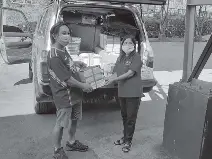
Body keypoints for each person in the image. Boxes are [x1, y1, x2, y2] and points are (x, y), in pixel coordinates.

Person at [47, 21, 93, 159]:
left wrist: (76, 63)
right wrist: (84, 85)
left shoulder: (63, 49)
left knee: (74, 119)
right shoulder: (54, 55)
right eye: (63, 33)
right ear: (55, 36)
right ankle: (57, 150)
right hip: (64, 95)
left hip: (74, 94)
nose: (67, 36)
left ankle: (71, 142)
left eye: (68, 33)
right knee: (61, 124)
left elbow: (67, 64)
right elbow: (67, 79)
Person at [105, 36, 143, 153]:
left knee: (130, 119)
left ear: (134, 45)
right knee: (124, 117)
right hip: (122, 92)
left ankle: (128, 141)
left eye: (130, 43)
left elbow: (130, 74)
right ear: (122, 45)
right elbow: (115, 72)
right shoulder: (120, 57)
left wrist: (113, 80)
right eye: (125, 42)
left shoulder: (136, 57)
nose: (127, 45)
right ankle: (125, 137)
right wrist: (105, 79)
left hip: (133, 92)